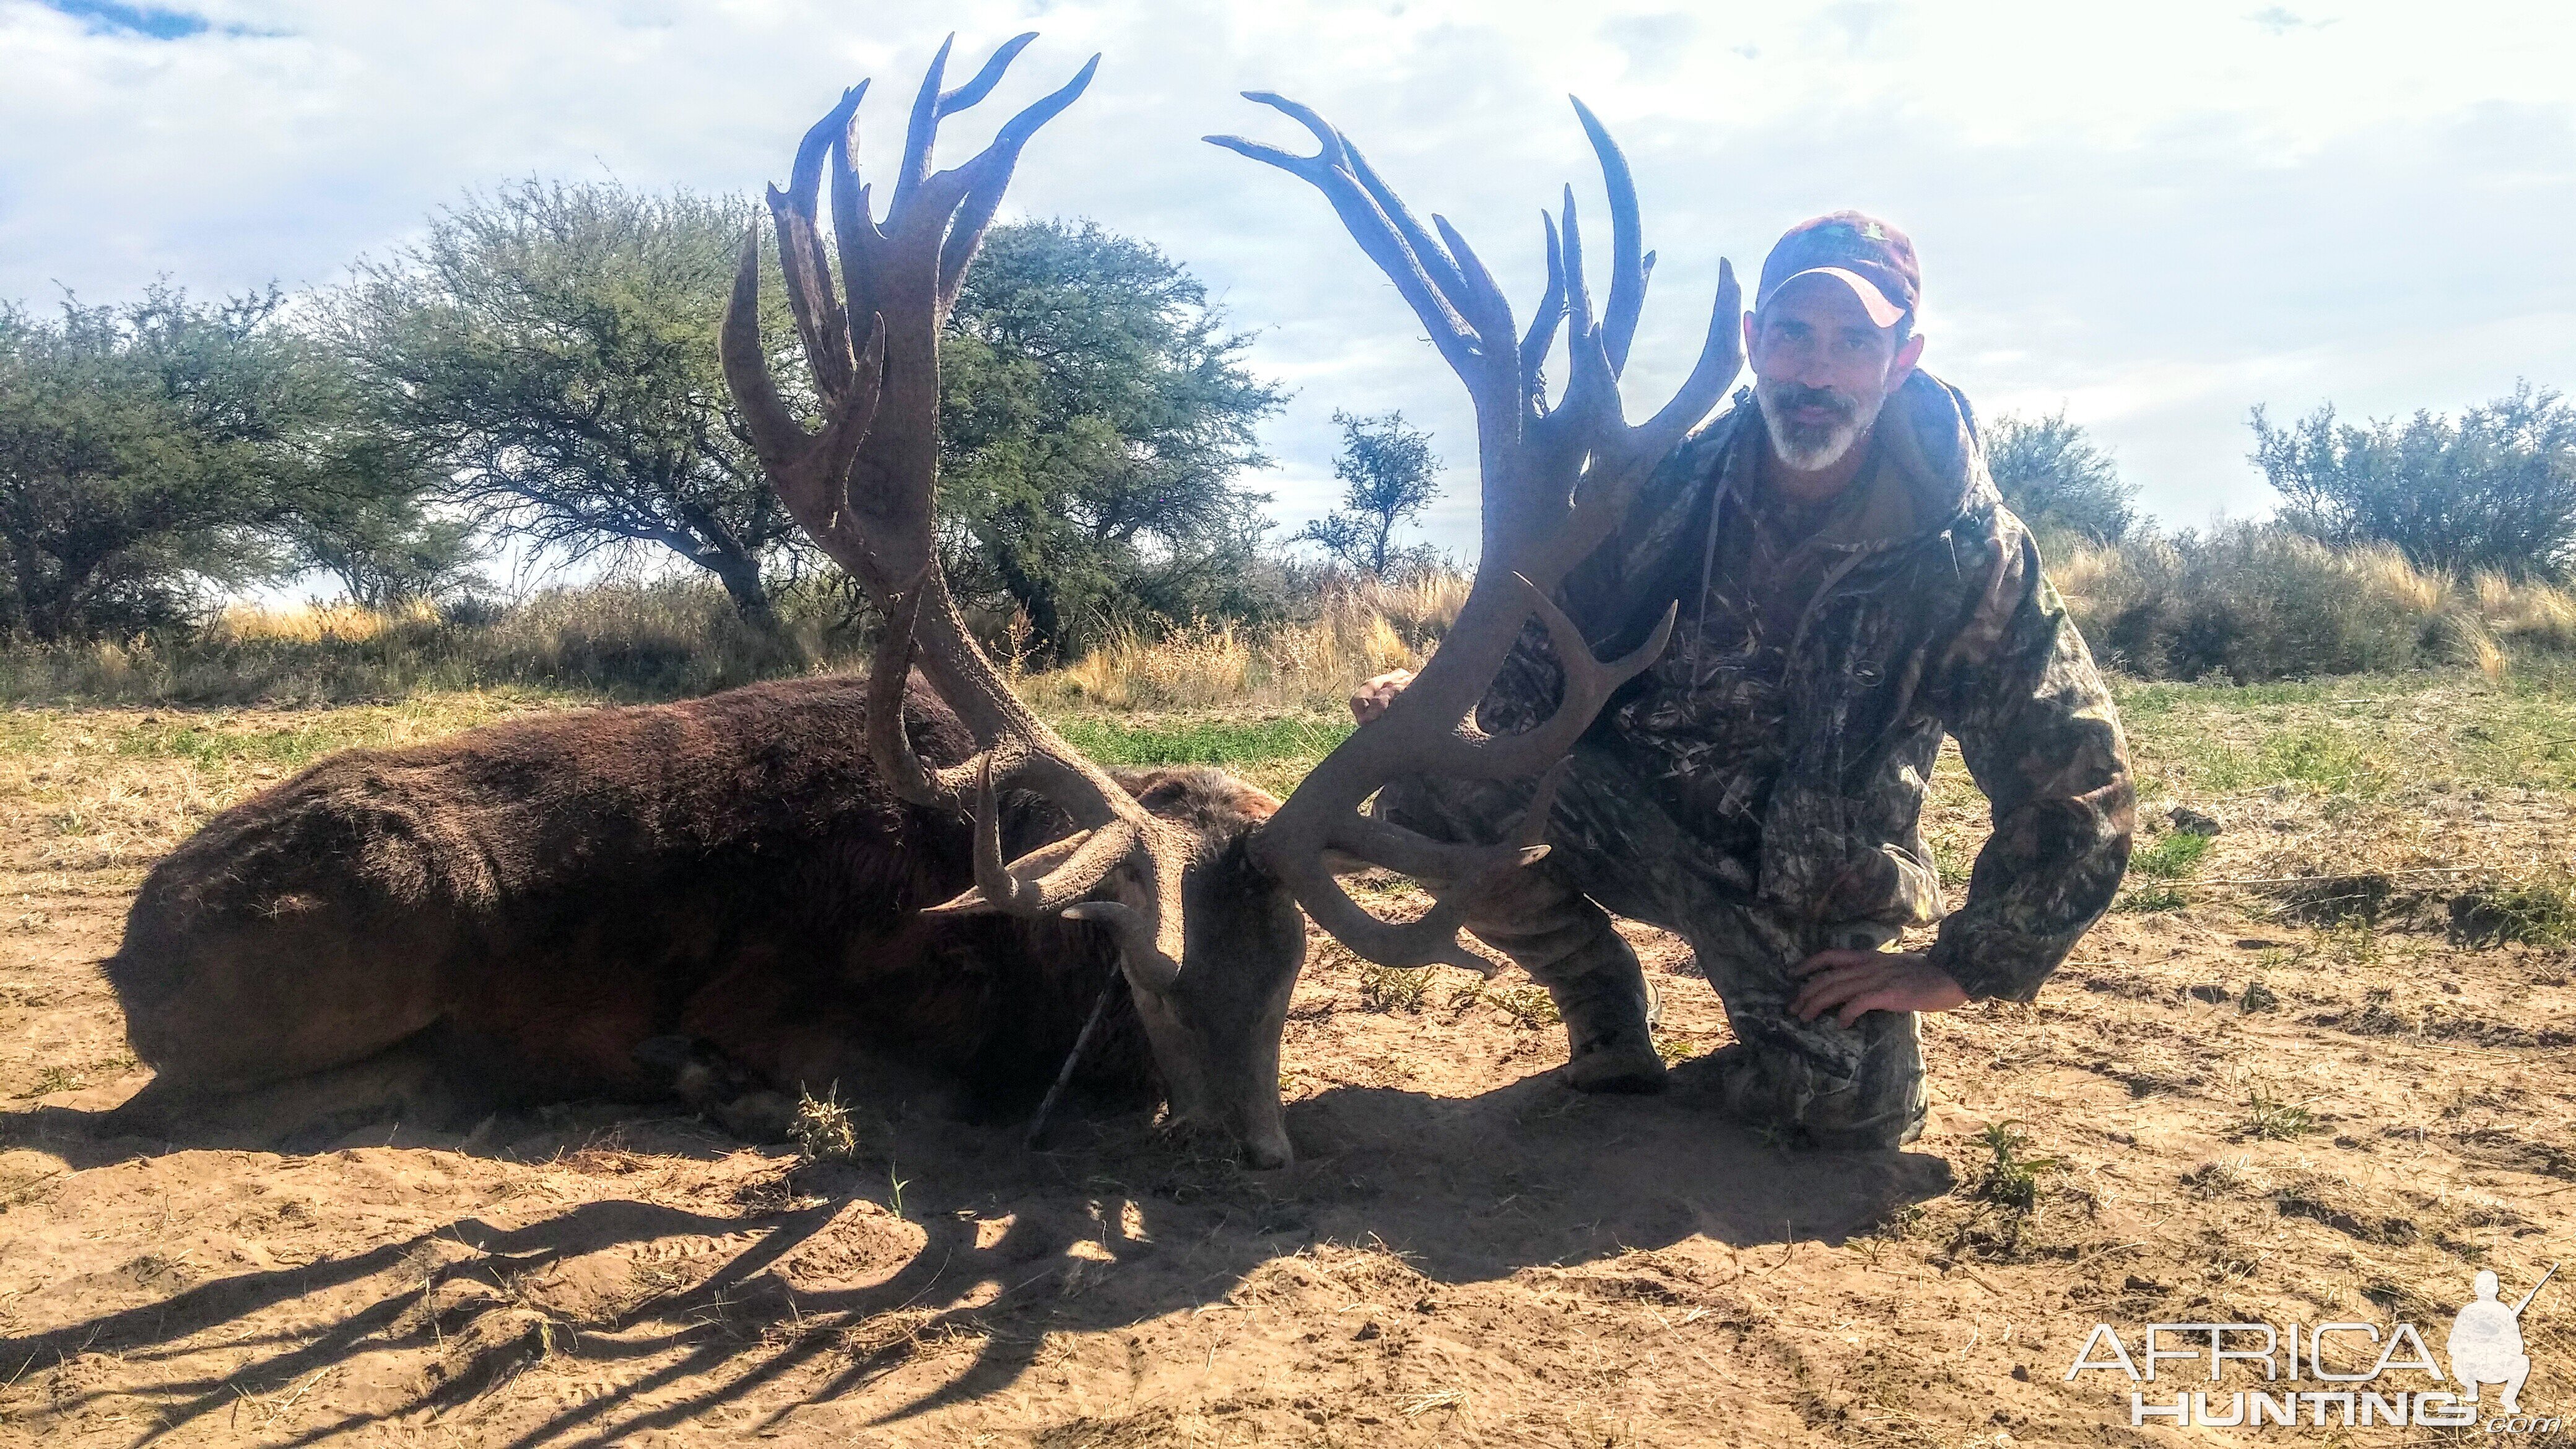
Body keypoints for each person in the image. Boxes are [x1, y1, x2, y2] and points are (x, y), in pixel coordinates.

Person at [1354, 213, 2134, 1150]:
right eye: (1796, 335)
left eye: (1854, 343)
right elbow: (1533, 647)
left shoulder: (1969, 552)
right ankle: (1598, 992)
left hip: (1801, 890)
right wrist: (1438, 708)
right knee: (1428, 790)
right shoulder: (1656, 487)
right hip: (1622, 818)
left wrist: (1965, 965)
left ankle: (1776, 1050)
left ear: (1902, 358)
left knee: (1853, 1116)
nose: (1817, 371)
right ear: (1752, 341)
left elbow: (2079, 776)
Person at [2448, 1269, 2535, 1413]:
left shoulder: (2472, 1311)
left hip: (2486, 1368)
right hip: (2485, 1368)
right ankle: (2475, 1390)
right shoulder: (2499, 1311)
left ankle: (2477, 1391)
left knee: (2523, 1360)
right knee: (2523, 1361)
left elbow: (2452, 1345)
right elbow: (2517, 1347)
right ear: (2496, 1289)